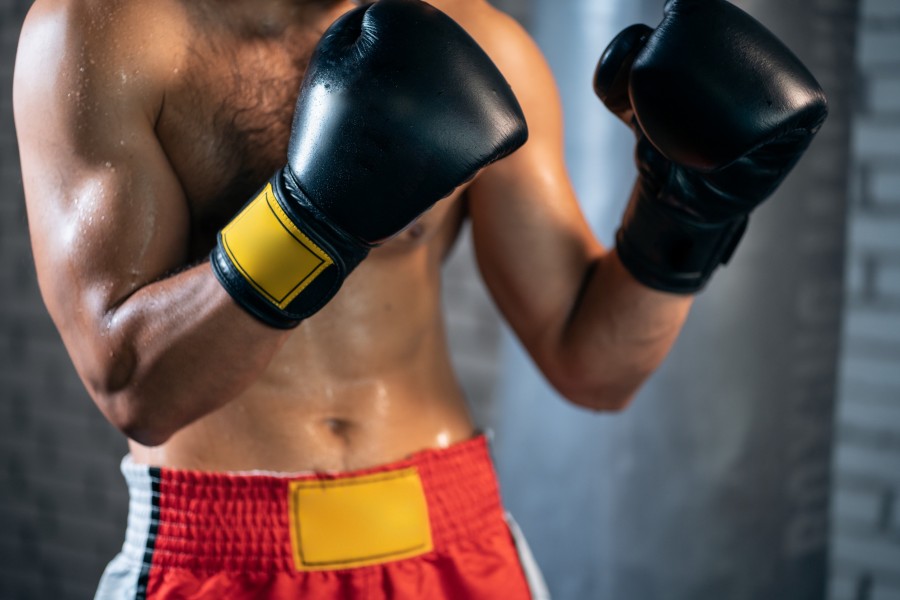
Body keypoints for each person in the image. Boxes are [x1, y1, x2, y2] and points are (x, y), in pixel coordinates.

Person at [13, 0, 826, 598]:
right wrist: (309, 218)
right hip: (220, 554)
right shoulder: (108, 31)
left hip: (454, 540)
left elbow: (595, 367)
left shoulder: (478, 41)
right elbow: (131, 388)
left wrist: (683, 216)